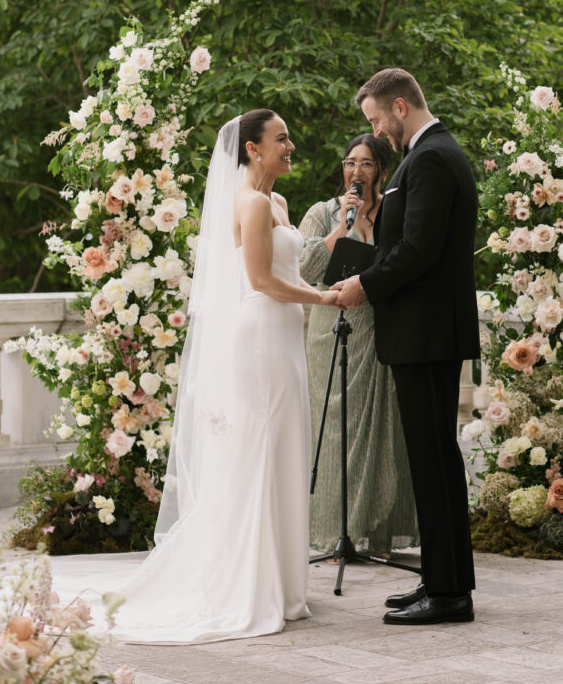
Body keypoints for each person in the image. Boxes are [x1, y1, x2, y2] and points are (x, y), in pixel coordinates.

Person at [51, 110, 339, 644]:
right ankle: (248, 584)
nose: (290, 145)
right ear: (252, 149)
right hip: (259, 335)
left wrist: (332, 257)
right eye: (281, 139)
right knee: (260, 444)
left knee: (285, 443)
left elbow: (292, 266)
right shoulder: (249, 204)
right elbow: (260, 279)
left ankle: (281, 580)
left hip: (285, 338)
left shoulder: (277, 202)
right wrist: (323, 298)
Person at [334, 69, 480, 626]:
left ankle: (447, 594)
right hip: (423, 332)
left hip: (427, 334)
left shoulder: (432, 158)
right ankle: (444, 581)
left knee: (434, 460)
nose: (375, 131)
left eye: (375, 120)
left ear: (400, 107)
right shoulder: (429, 155)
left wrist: (362, 286)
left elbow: (418, 250)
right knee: (433, 459)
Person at [298, 134, 418, 554]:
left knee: (380, 430)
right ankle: (334, 531)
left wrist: (369, 229)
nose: (356, 172)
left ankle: (373, 532)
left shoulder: (394, 211)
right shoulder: (321, 212)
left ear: (382, 171)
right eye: (351, 163)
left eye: (367, 164)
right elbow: (303, 268)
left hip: (378, 328)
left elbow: (405, 265)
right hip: (330, 327)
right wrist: (339, 229)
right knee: (332, 432)